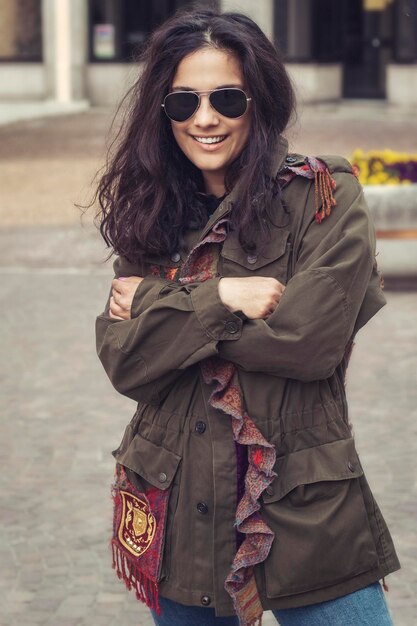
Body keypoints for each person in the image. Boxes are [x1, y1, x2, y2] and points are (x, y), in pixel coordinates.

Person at [94, 6, 400, 626]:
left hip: (303, 500)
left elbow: (308, 340)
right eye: (183, 103)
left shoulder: (323, 194)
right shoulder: (150, 212)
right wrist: (224, 297)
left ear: (258, 101)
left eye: (226, 98)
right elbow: (128, 362)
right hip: (179, 501)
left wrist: (161, 307)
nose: (204, 119)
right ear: (163, 111)